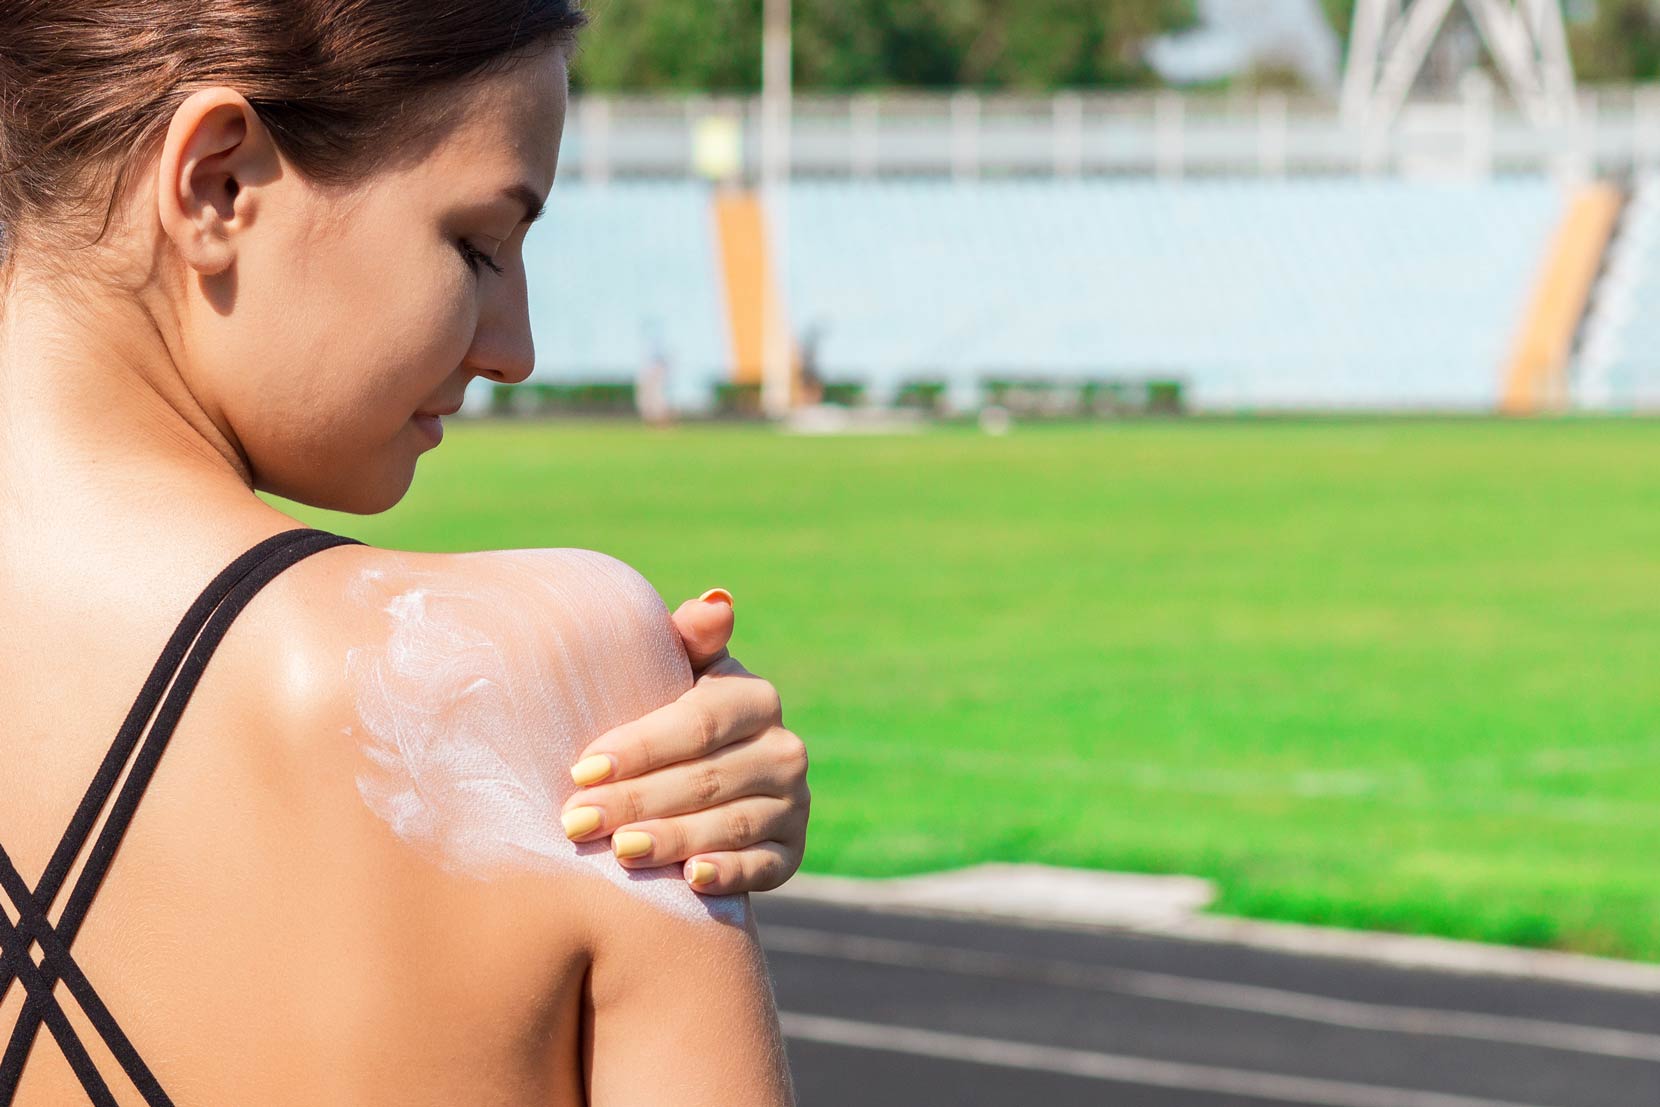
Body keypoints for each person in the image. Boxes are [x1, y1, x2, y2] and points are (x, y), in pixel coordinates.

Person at [0, 2, 806, 1103]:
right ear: (215, 184)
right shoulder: (535, 675)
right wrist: (614, 683)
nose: (513, 348)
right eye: (476, 245)